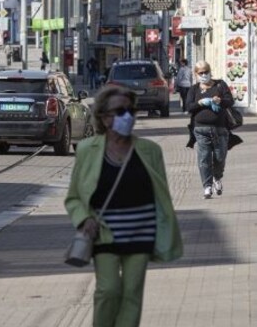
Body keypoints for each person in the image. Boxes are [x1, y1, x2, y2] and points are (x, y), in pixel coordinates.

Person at [65, 85, 182, 327]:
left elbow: (161, 195)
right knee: (108, 289)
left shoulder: (150, 151)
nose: (127, 117)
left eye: (130, 111)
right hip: (105, 232)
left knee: (132, 293)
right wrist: (84, 219)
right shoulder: (88, 150)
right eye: (119, 111)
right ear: (104, 118)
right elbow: (74, 197)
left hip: (141, 232)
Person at [186, 60, 235, 199]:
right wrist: (200, 103)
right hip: (201, 129)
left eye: (206, 72)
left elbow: (230, 101)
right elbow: (188, 106)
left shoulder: (220, 84)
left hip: (220, 129)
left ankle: (217, 177)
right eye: (201, 73)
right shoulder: (194, 89)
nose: (204, 75)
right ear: (196, 74)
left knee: (220, 157)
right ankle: (207, 187)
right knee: (204, 159)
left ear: (210, 71)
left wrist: (220, 100)